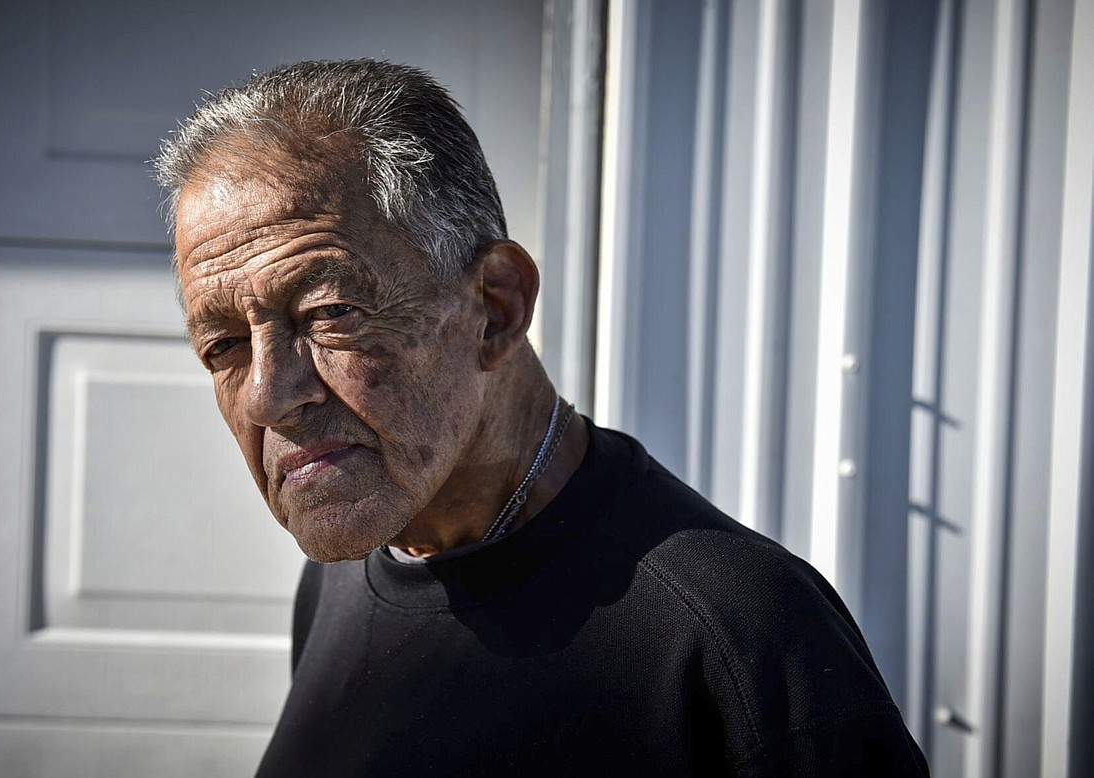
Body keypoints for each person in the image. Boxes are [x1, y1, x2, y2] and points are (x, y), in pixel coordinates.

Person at [155, 59, 928, 777]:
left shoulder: (742, 633)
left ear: (494, 308)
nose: (265, 395)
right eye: (222, 345)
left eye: (330, 313)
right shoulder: (346, 575)